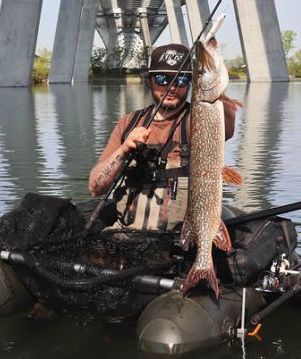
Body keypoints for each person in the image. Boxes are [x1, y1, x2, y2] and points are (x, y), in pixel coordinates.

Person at [88, 43, 235, 231]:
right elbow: (94, 188)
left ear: (191, 83)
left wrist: (218, 84)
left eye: (181, 79)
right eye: (162, 78)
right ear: (149, 80)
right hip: (123, 233)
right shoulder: (129, 123)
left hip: (179, 238)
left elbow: (227, 127)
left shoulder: (199, 118)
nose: (172, 87)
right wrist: (124, 150)